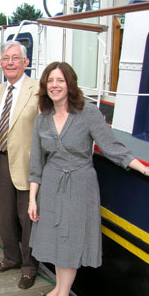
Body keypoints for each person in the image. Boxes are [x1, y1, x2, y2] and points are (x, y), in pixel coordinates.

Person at [27, 61, 149, 296]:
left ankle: (62, 293)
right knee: (55, 239)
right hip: (51, 185)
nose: (55, 85)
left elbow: (112, 147)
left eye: (60, 80)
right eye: (50, 81)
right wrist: (32, 198)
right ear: (45, 86)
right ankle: (60, 288)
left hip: (80, 186)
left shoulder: (88, 112)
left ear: (70, 84)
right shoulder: (42, 118)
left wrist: (143, 169)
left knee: (70, 241)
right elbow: (36, 163)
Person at [0, 41, 39, 289]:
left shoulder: (37, 90)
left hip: (27, 163)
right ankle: (10, 258)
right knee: (4, 216)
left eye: (15, 58)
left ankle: (29, 266)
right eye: (5, 58)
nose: (10, 63)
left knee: (26, 218)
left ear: (26, 62)